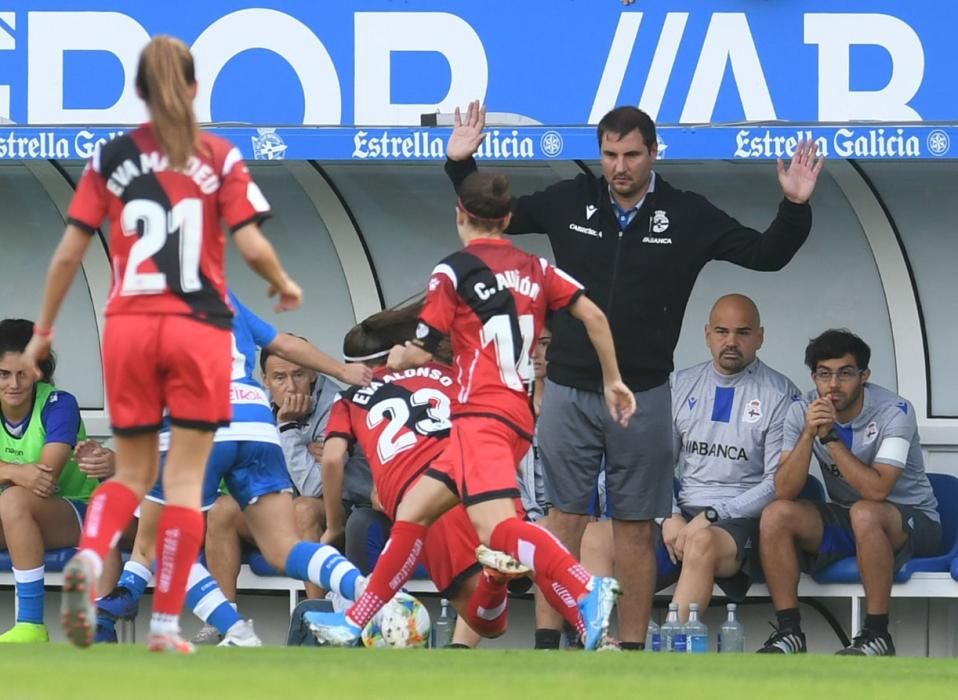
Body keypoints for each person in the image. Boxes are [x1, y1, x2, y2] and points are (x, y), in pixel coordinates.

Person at [444, 100, 824, 647]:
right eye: (609, 155)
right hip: (571, 391)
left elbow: (766, 254)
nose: (619, 167)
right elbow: (492, 217)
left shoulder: (687, 213)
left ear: (653, 152)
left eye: (631, 155)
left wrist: (794, 206)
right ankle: (549, 650)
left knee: (635, 532)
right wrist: (461, 165)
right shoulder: (571, 200)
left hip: (643, 393)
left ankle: (631, 653)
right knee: (562, 525)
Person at [20, 35, 303, 652]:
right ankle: (140, 596)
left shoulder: (113, 157)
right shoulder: (218, 155)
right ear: (195, 89)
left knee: (148, 503)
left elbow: (70, 250)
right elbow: (253, 242)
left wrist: (43, 327)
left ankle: (126, 595)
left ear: (140, 93)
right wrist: (280, 280)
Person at [308, 171, 636, 651]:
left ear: (459, 215)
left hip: (482, 415)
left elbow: (421, 348)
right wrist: (612, 379)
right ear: (507, 219)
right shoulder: (537, 268)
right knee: (414, 514)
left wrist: (398, 359)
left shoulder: (453, 270)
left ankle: (586, 588)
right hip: (504, 415)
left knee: (501, 531)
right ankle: (357, 620)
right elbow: (595, 316)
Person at [94, 289, 371, 646]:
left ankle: (236, 631)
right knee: (282, 546)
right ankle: (373, 595)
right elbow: (283, 342)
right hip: (253, 418)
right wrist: (341, 370)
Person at [311, 305, 545, 647]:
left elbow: (332, 460)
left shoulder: (348, 397)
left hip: (429, 498)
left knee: (490, 622)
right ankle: (579, 611)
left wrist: (334, 526)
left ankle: (358, 621)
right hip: (482, 478)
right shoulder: (446, 373)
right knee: (525, 556)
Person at [757, 329, 941, 656]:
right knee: (776, 516)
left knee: (866, 511)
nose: (833, 384)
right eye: (824, 374)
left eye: (845, 373)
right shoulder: (801, 410)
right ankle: (790, 633)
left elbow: (878, 489)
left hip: (914, 520)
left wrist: (829, 439)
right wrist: (806, 436)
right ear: (813, 376)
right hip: (852, 517)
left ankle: (877, 634)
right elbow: (784, 490)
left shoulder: (895, 411)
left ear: (864, 376)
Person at [658, 294, 799, 620]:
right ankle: (596, 645)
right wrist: (668, 515)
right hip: (683, 515)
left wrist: (709, 515)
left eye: (743, 332)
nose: (731, 341)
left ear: (760, 337)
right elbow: (660, 463)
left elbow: (775, 484)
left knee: (701, 542)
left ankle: (671, 648)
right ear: (707, 334)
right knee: (600, 538)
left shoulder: (780, 394)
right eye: (722, 331)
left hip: (739, 520)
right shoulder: (680, 384)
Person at [0, 319, 98, 643]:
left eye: (23, 373)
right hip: (17, 517)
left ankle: (31, 624)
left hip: (79, 511)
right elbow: (26, 477)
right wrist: (14, 471)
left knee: (13, 500)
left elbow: (45, 479)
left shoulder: (59, 404)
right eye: (4, 374)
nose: (13, 384)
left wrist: (15, 476)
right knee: (13, 500)